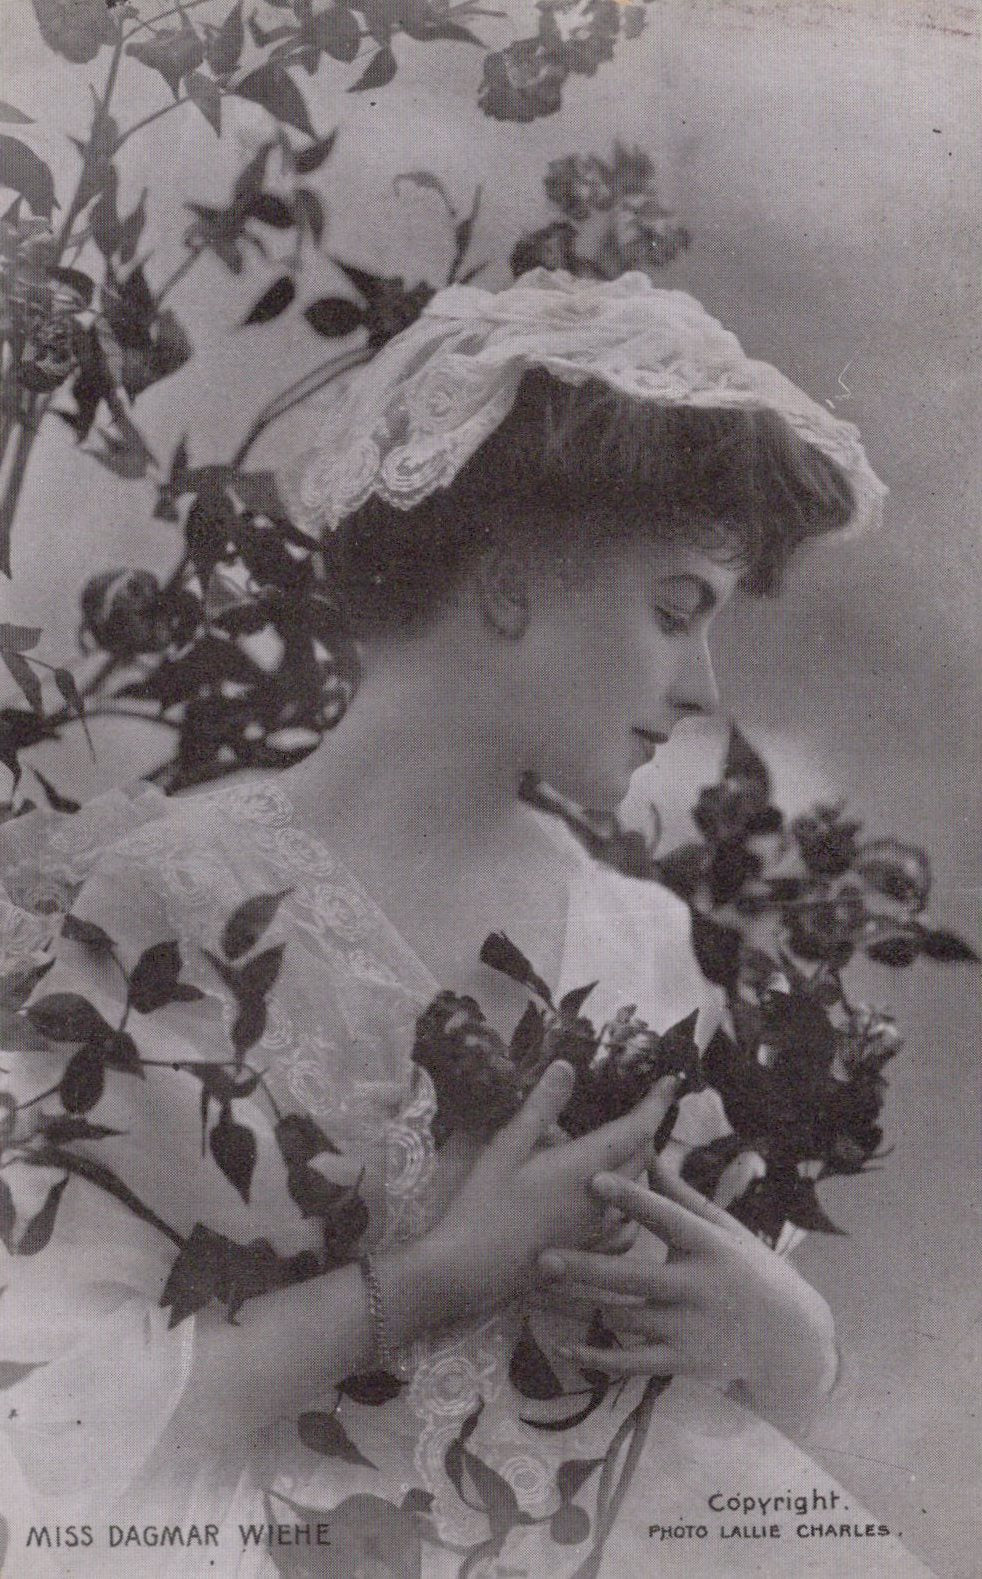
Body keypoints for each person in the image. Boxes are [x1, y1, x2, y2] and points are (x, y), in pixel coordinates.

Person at [0, 269, 930, 1577]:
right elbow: (50, 1432)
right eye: (673, 613)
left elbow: (648, 1404)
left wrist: (787, 1347)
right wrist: (438, 1276)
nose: (701, 687)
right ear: (503, 586)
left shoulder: (645, 940)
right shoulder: (172, 899)